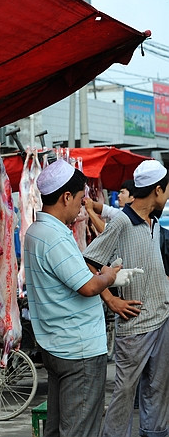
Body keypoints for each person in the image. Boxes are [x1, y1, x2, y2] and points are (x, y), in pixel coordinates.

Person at [23, 159, 119, 437]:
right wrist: (109, 276)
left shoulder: (37, 232)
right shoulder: (53, 236)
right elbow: (88, 287)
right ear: (66, 197)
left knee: (58, 428)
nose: (82, 205)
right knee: (79, 430)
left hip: (57, 345)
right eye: (79, 198)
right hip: (78, 350)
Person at [83, 159, 169, 437]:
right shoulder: (121, 221)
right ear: (157, 191)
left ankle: (154, 433)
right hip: (134, 326)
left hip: (162, 318)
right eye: (167, 191)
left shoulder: (153, 222)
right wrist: (110, 299)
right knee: (124, 391)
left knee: (158, 389)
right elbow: (89, 261)